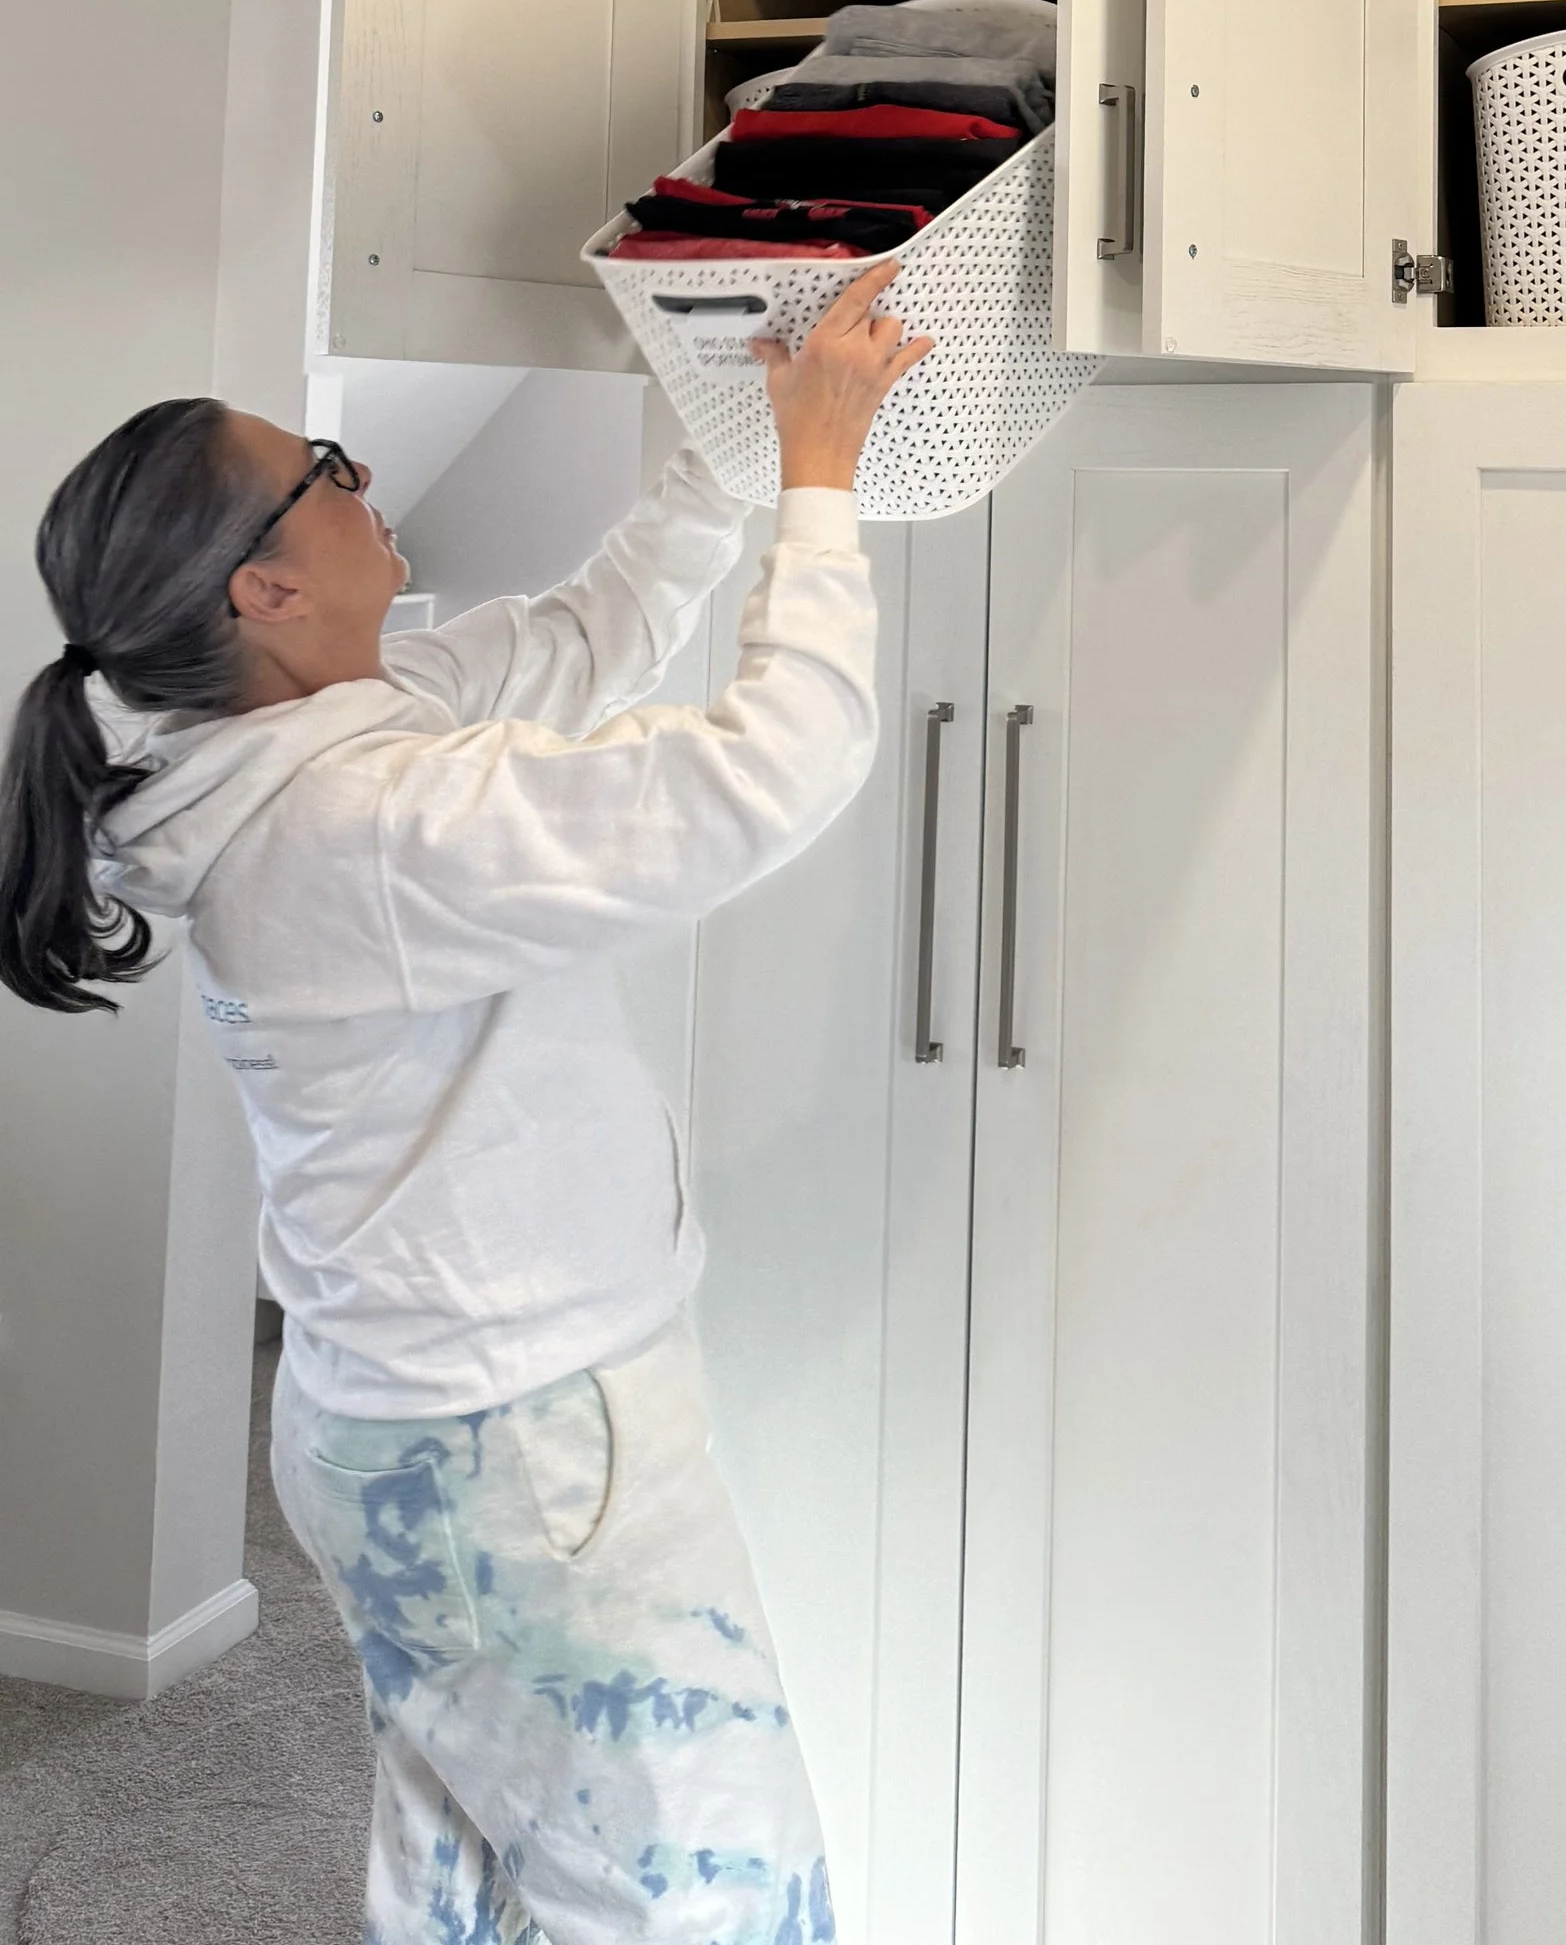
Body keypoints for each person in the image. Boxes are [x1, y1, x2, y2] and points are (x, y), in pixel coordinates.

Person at [0, 266, 929, 1945]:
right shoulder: (363, 825)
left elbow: (583, 641)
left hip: (394, 1423)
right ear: (268, 585)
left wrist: (730, 446)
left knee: (480, 1850)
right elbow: (774, 767)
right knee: (705, 1893)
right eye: (325, 470)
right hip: (528, 1453)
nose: (361, 483)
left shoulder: (295, 754)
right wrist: (821, 477)